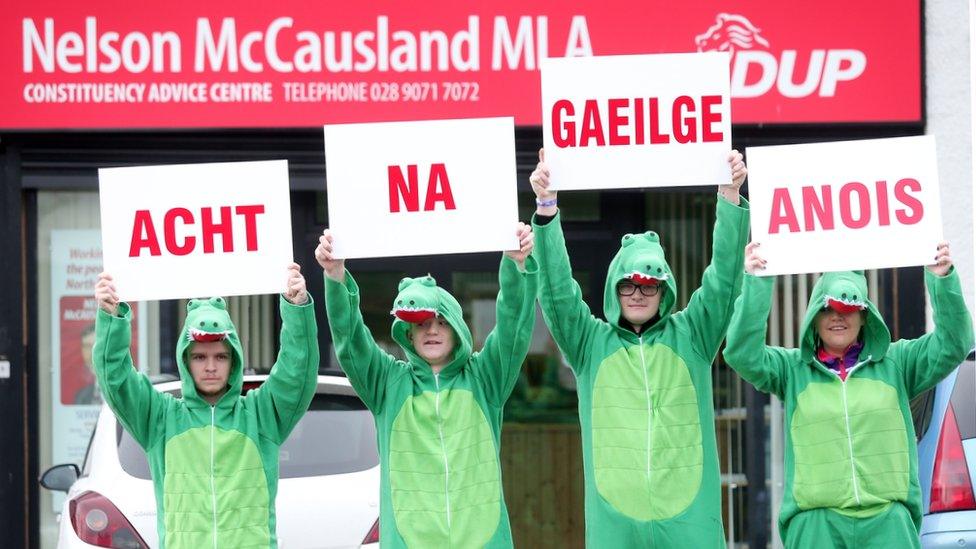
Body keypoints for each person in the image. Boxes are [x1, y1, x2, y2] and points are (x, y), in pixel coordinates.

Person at [529, 149, 750, 547]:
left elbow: (724, 282)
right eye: (627, 284)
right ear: (614, 288)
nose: (637, 293)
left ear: (663, 289)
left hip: (690, 523)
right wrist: (547, 208)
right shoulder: (589, 343)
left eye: (649, 285)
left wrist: (729, 199)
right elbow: (557, 291)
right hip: (616, 526)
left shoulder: (693, 335)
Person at [723, 242, 974, 548]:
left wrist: (941, 277)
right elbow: (740, 353)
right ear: (814, 317)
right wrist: (757, 282)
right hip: (816, 524)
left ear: (866, 315)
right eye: (827, 308)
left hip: (888, 523)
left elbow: (955, 342)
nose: (837, 317)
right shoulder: (792, 369)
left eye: (849, 307)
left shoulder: (898, 362)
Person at [317, 223, 536, 548]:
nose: (432, 331)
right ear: (408, 333)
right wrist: (335, 278)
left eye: (442, 322)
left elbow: (513, 324)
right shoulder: (388, 383)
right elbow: (351, 340)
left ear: (457, 329)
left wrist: (516, 266)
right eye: (421, 324)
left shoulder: (485, 378)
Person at [93, 264, 319, 548]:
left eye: (220, 357)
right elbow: (116, 379)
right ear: (185, 361)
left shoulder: (261, 416)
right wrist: (111, 317)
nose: (210, 367)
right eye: (199, 357)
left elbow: (297, 372)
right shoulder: (161, 419)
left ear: (234, 359)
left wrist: (297, 309)